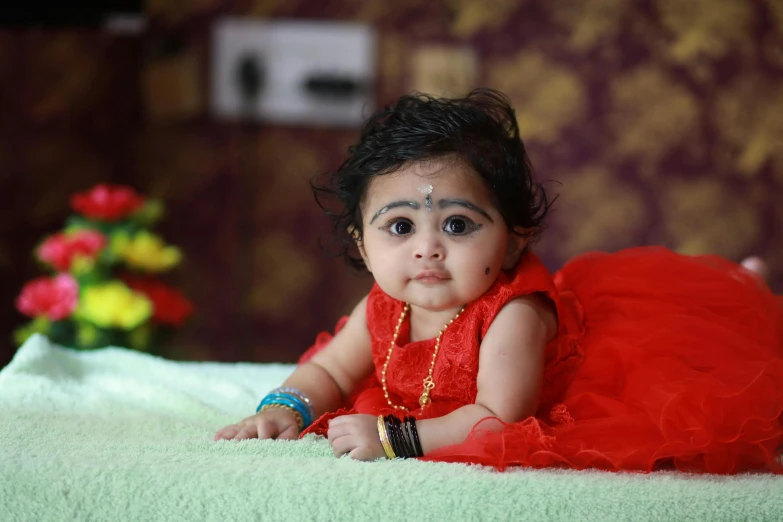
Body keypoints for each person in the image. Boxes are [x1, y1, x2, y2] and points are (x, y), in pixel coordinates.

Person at [214, 89, 783, 474]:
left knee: (710, 357)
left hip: (591, 372)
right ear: (362, 242)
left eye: (457, 224)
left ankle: (742, 288)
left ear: (513, 238)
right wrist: (285, 407)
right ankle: (742, 285)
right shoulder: (386, 301)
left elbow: (500, 418)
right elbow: (332, 369)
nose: (427, 247)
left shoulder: (514, 314)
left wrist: (395, 438)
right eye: (400, 226)